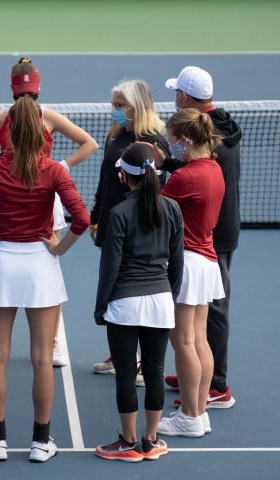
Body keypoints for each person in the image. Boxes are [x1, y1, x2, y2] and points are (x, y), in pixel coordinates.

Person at [0, 96, 90, 463]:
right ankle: (41, 442)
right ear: (41, 132)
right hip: (41, 266)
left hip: (1, 264)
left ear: (8, 133)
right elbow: (82, 219)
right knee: (42, 359)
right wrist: (60, 248)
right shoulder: (54, 170)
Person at [0, 56, 98, 367]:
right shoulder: (1, 119)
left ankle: (51, 341)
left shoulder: (46, 117)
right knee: (47, 263)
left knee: (49, 266)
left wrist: (59, 169)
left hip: (45, 193)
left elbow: (88, 143)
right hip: (12, 193)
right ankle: (13, 342)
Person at [153, 66, 242, 410]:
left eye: (177, 92)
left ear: (185, 97)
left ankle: (214, 387)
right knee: (199, 329)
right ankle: (202, 386)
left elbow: (188, 185)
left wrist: (161, 175)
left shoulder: (202, 151)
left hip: (203, 238)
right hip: (216, 229)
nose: (174, 98)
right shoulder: (219, 129)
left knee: (196, 330)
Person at [93, 143, 183, 462]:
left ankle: (129, 444)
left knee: (126, 374)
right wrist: (167, 296)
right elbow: (177, 262)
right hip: (160, 301)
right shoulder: (172, 209)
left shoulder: (118, 214)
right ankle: (151, 440)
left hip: (124, 304)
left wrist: (101, 306)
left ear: (123, 177)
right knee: (156, 371)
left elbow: (111, 267)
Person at [89, 79, 171, 381]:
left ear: (137, 107)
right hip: (112, 225)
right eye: (114, 104)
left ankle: (136, 362)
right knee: (113, 288)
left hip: (137, 230)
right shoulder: (117, 137)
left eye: (121, 105)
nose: (116, 110)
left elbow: (158, 187)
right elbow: (105, 181)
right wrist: (97, 215)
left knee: (129, 291)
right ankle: (121, 352)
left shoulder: (153, 141)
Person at [155, 108, 225, 438]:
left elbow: (152, 210)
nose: (171, 147)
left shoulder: (187, 177)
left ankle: (188, 417)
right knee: (199, 339)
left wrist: (148, 174)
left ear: (184, 139)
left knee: (183, 342)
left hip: (187, 263)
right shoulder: (213, 169)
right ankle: (199, 412)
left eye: (171, 141)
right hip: (207, 262)